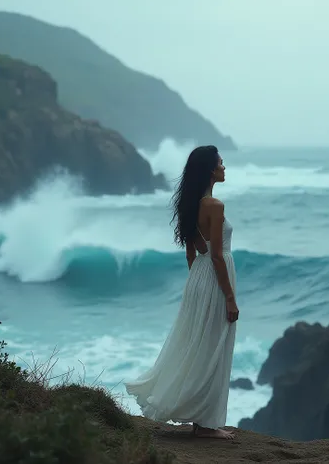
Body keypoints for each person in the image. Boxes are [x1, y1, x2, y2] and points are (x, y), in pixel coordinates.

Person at [125, 145, 239, 440]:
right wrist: (228, 296)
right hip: (214, 277)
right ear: (211, 170)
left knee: (198, 344)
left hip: (198, 279)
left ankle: (204, 420)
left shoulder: (190, 204)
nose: (224, 168)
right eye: (221, 164)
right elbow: (216, 255)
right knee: (213, 346)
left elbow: (193, 254)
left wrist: (199, 286)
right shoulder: (215, 206)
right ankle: (206, 426)